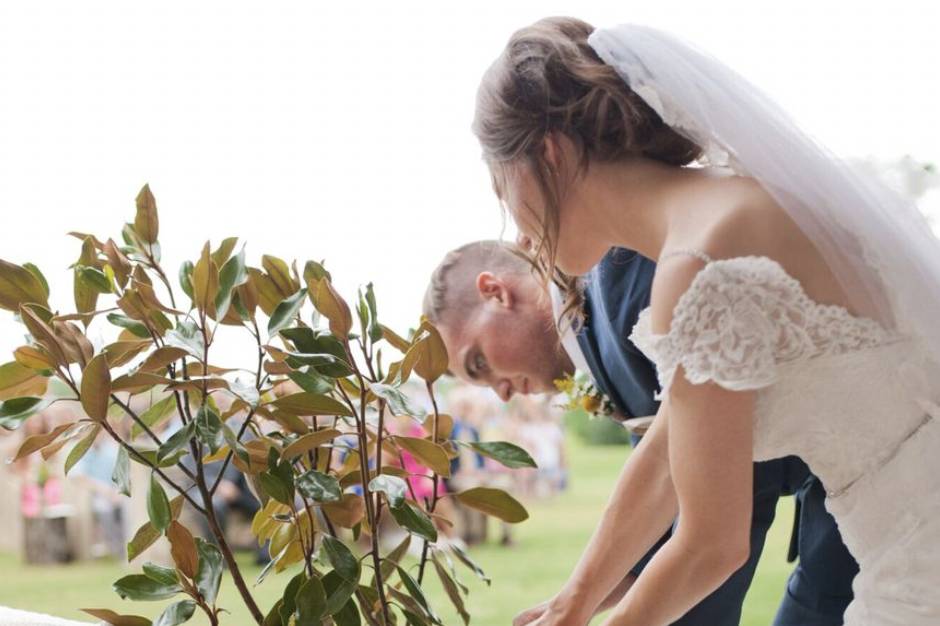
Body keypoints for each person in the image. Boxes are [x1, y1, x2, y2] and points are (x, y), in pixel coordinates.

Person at [467, 17, 940, 625]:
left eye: (502, 188)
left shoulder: (699, 265)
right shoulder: (737, 203)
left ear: (549, 155)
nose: (518, 231)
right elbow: (668, 452)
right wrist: (573, 602)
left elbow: (712, 544)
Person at [424, 240, 856, 625]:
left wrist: (576, 608)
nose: (499, 394)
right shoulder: (595, 339)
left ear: (495, 292)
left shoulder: (628, 280)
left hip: (867, 475)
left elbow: (713, 517)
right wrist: (572, 605)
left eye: (478, 362)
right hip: (824, 500)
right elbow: (670, 504)